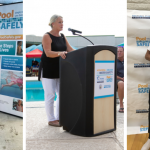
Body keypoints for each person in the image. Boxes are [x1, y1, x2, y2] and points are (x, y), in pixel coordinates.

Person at [38, 15, 74, 127]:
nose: (62, 24)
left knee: (61, 94)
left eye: (62, 22)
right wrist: (59, 53)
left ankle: (59, 117)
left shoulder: (63, 36)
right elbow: (48, 53)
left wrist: (83, 53)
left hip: (60, 70)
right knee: (50, 95)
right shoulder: (46, 36)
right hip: (48, 70)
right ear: (53, 23)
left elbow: (70, 49)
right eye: (59, 22)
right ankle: (51, 119)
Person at [117, 46, 124, 113]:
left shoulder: (128, 61)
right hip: (118, 80)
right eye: (118, 51)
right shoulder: (114, 61)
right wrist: (121, 78)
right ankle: (121, 105)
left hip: (128, 79)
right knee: (121, 83)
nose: (119, 53)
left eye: (121, 51)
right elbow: (111, 74)